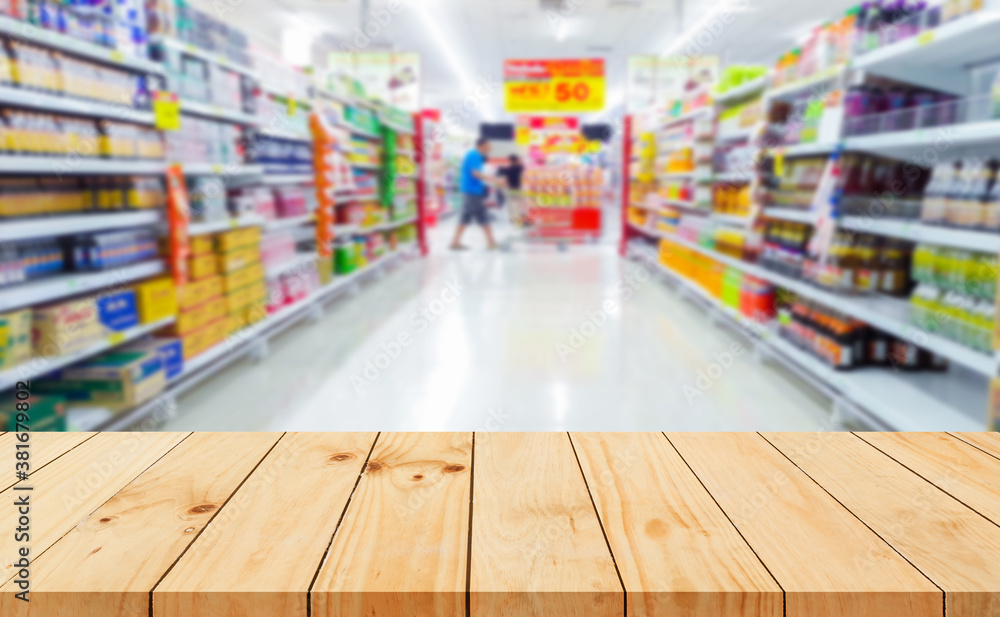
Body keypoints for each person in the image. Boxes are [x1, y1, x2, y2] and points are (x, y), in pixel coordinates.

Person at [451, 138, 500, 250]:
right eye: (489, 145)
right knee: (482, 215)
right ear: (482, 145)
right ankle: (491, 242)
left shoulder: (474, 155)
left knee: (466, 217)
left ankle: (455, 242)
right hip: (471, 190)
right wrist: (493, 179)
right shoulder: (475, 155)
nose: (490, 148)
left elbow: (475, 173)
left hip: (470, 190)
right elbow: (475, 173)